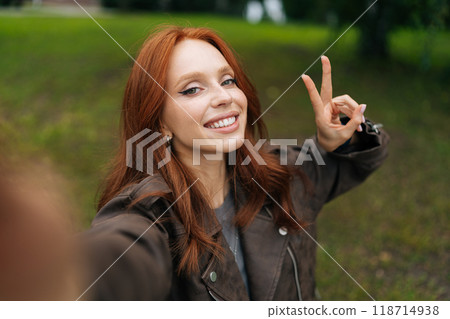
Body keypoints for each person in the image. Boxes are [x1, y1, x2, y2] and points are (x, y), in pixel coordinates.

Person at [79, 25, 389, 301]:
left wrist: (338, 141)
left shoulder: (280, 176)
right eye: (192, 89)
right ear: (161, 123)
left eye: (228, 81)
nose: (224, 97)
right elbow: (115, 260)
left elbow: (358, 163)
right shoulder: (148, 214)